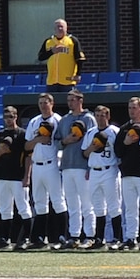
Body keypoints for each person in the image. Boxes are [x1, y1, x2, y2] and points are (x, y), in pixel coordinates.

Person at [0, 104, 33, 249]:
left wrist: (27, 176)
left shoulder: (22, 134)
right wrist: (1, 152)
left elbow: (28, 157)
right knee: (5, 209)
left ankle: (26, 238)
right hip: (3, 176)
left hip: (18, 176)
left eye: (11, 116)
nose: (8, 120)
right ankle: (5, 239)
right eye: (6, 117)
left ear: (16, 117)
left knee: (23, 207)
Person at [57, 89, 96, 245]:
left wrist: (89, 168)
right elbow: (57, 142)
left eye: (72, 100)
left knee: (87, 203)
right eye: (68, 100)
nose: (70, 103)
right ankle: (74, 235)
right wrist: (65, 141)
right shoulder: (64, 120)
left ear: (80, 100)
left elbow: (94, 143)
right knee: (72, 203)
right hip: (67, 165)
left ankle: (90, 235)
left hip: (83, 166)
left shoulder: (89, 119)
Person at [114, 98, 140, 249]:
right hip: (127, 173)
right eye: (130, 108)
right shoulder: (123, 129)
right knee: (130, 208)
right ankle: (131, 237)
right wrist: (125, 143)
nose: (131, 111)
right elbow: (117, 151)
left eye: (134, 108)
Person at [27, 92, 64, 248]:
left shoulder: (58, 120)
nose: (43, 105)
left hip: (52, 163)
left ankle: (60, 236)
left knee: (57, 201)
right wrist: (37, 140)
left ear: (52, 103)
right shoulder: (34, 121)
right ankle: (39, 238)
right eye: (41, 103)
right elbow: (26, 146)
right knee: (39, 202)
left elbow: (62, 142)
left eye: (45, 102)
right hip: (37, 164)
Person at [85, 103, 120, 247]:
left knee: (113, 205)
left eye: (102, 115)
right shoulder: (90, 132)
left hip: (109, 169)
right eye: (97, 116)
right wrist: (92, 148)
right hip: (94, 169)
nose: (100, 118)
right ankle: (99, 238)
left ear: (108, 116)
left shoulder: (114, 131)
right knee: (98, 205)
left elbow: (120, 151)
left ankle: (116, 238)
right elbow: (85, 153)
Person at [40, 18, 84, 90]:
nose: (60, 29)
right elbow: (41, 57)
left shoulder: (72, 41)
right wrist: (51, 52)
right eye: (58, 27)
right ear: (54, 29)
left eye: (62, 26)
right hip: (52, 82)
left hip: (68, 82)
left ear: (66, 28)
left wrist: (78, 74)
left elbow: (80, 59)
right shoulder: (48, 41)